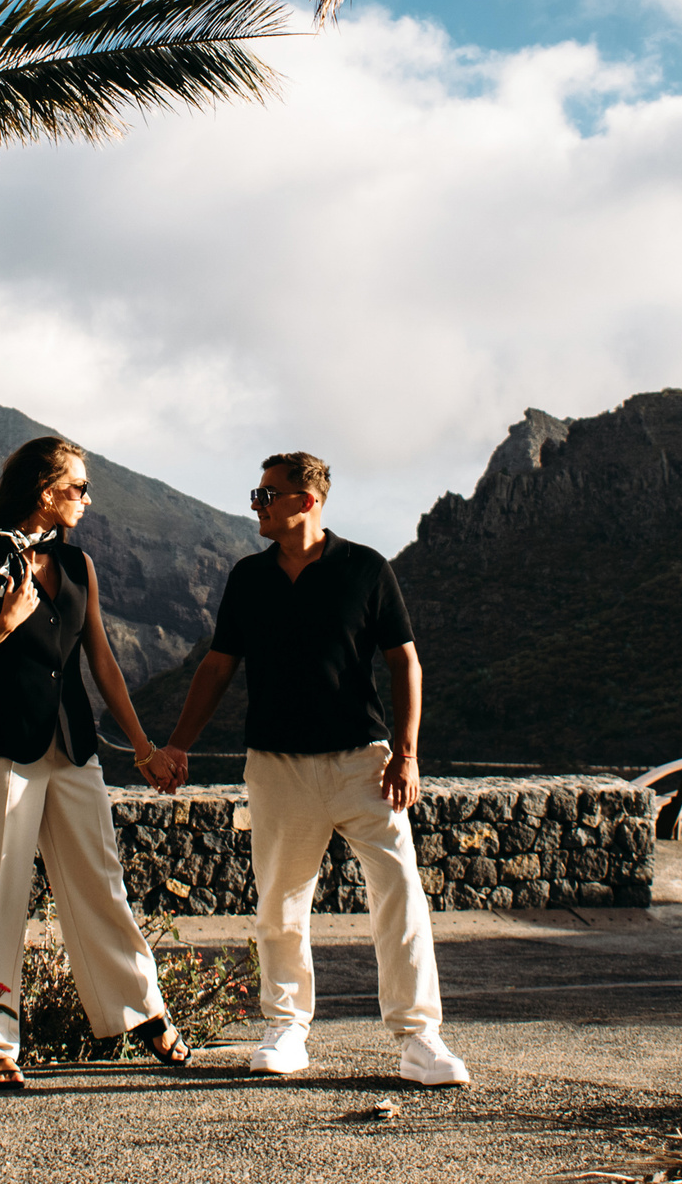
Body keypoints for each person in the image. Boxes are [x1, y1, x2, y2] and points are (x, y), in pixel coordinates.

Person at [154, 452, 469, 1087]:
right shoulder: (248, 577)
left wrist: (407, 755)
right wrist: (178, 745)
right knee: (279, 902)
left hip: (365, 764)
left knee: (400, 893)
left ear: (307, 501)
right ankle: (286, 1029)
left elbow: (405, 663)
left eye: (267, 494)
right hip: (277, 767)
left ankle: (420, 1039)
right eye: (257, 493)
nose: (257, 504)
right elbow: (217, 666)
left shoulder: (366, 568)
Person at [0, 434, 190, 1089]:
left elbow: (101, 660)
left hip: (74, 746)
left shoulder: (79, 564)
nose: (86, 498)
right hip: (4, 747)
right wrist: (4, 623)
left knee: (100, 879)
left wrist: (143, 747)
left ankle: (141, 1010)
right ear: (46, 490)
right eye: (78, 487)